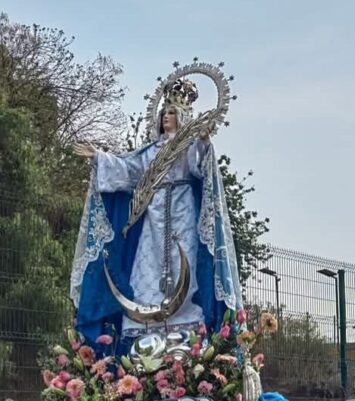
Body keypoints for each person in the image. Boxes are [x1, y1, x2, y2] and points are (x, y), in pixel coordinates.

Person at [70, 78, 242, 354]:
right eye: (165, 113)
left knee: (182, 262)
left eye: (172, 113)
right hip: (152, 216)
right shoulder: (149, 152)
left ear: (183, 116)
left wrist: (204, 141)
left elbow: (200, 166)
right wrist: (99, 157)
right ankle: (146, 327)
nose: (167, 118)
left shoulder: (186, 147)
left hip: (182, 212)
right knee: (146, 266)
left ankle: (184, 328)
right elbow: (127, 171)